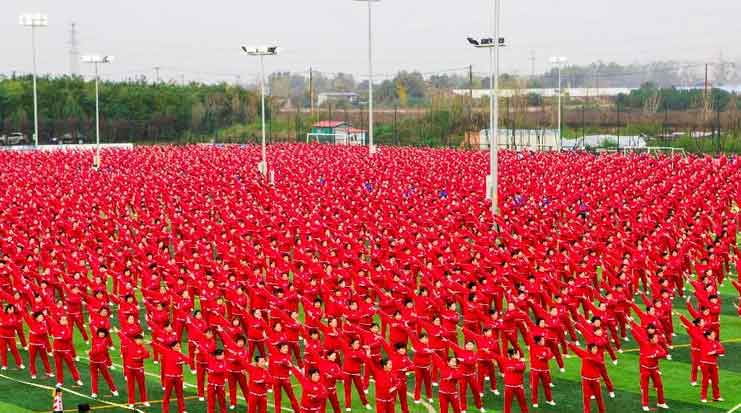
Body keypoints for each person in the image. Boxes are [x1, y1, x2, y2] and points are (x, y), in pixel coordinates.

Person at [629, 320, 669, 411]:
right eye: (655, 338)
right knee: (645, 387)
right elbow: (637, 336)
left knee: (659, 385)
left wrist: (655, 355)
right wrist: (631, 329)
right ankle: (645, 404)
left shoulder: (657, 346)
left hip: (654, 369)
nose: (657, 339)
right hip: (645, 369)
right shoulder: (644, 344)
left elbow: (664, 353)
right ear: (651, 339)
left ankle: (661, 402)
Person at [154, 340, 192, 413]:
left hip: (179, 378)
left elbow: (188, 360)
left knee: (180, 394)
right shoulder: (167, 352)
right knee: (167, 395)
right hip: (169, 378)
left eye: (179, 346)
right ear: (172, 347)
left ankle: (182, 410)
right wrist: (151, 343)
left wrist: (184, 362)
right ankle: (165, 411)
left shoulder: (180, 354)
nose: (179, 347)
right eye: (177, 346)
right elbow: (158, 347)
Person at [568, 342, 606, 413]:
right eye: (594, 349)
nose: (596, 350)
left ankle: (602, 411)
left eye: (596, 348)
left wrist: (590, 358)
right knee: (586, 397)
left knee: (598, 396)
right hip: (585, 379)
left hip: (595, 379)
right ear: (589, 349)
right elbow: (576, 349)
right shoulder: (584, 354)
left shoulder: (598, 356)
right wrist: (570, 344)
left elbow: (600, 362)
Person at [47, 315, 82, 387]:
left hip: (66, 351)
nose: (65, 321)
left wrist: (59, 337)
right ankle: (60, 381)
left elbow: (67, 337)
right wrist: (59, 336)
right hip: (57, 351)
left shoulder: (68, 328)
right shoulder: (56, 327)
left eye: (66, 319)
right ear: (59, 321)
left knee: (71, 365)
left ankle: (77, 379)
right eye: (63, 319)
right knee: (58, 366)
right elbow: (54, 333)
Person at [120, 333, 150, 408]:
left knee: (142, 385)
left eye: (141, 340)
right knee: (130, 386)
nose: (140, 341)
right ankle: (131, 402)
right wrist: (118, 332)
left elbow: (147, 355)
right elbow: (123, 337)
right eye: (139, 340)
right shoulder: (130, 345)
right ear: (135, 340)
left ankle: (144, 401)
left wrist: (140, 357)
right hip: (129, 369)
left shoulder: (142, 348)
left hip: (139, 369)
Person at [89, 328, 118, 399]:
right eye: (100, 332)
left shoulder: (105, 340)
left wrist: (90, 352)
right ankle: (94, 392)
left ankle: (113, 389)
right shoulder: (94, 338)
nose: (102, 334)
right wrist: (91, 352)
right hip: (93, 361)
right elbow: (94, 347)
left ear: (105, 334)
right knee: (94, 377)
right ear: (98, 333)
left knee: (107, 376)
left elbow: (99, 349)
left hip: (101, 361)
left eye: (103, 333)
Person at [699, 330, 725, 403]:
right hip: (704, 363)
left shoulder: (716, 342)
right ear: (708, 336)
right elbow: (696, 333)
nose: (714, 336)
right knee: (705, 380)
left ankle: (716, 396)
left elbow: (722, 350)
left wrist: (715, 352)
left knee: (715, 381)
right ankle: (703, 397)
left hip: (713, 364)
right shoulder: (703, 341)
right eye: (713, 335)